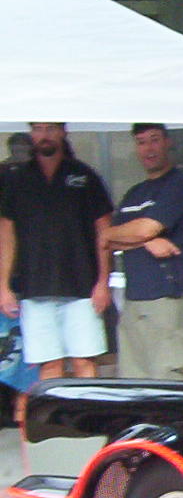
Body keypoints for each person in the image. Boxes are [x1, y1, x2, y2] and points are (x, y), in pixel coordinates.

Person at [0, 122, 113, 415]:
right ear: (31, 134)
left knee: (84, 361)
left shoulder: (84, 176)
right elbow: (7, 235)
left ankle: (88, 423)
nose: (44, 135)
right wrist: (3, 286)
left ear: (63, 132)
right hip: (34, 288)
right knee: (48, 366)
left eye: (50, 129)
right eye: (38, 129)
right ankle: (56, 425)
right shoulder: (17, 179)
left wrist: (103, 281)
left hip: (82, 287)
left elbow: (104, 231)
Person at [103, 123, 183, 380]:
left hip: (169, 297)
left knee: (170, 379)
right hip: (134, 299)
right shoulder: (134, 194)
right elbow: (107, 238)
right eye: (141, 142)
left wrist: (140, 234)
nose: (148, 148)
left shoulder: (180, 185)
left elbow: (146, 228)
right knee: (134, 381)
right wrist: (146, 241)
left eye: (154, 139)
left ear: (168, 142)